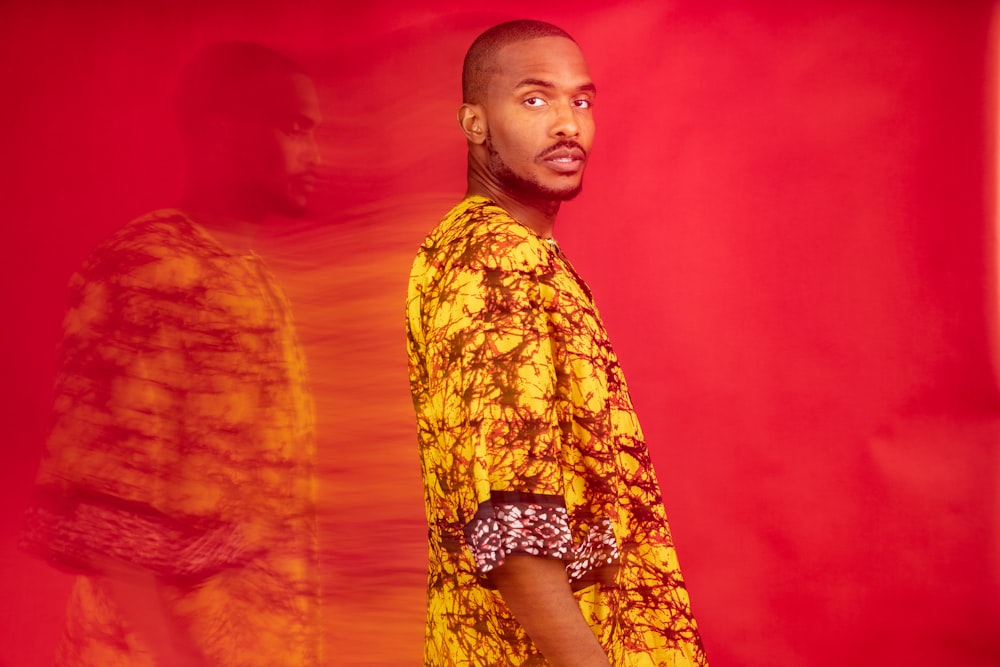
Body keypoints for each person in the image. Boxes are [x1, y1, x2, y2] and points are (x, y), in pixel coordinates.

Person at [406, 20, 709, 667]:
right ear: (474, 123)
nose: (568, 123)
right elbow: (512, 526)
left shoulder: (496, 249)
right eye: (535, 99)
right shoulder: (495, 261)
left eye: (581, 100)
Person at [22, 40, 323, 666]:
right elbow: (108, 524)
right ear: (225, 132)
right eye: (294, 127)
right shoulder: (144, 270)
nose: (314, 154)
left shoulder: (251, 276)